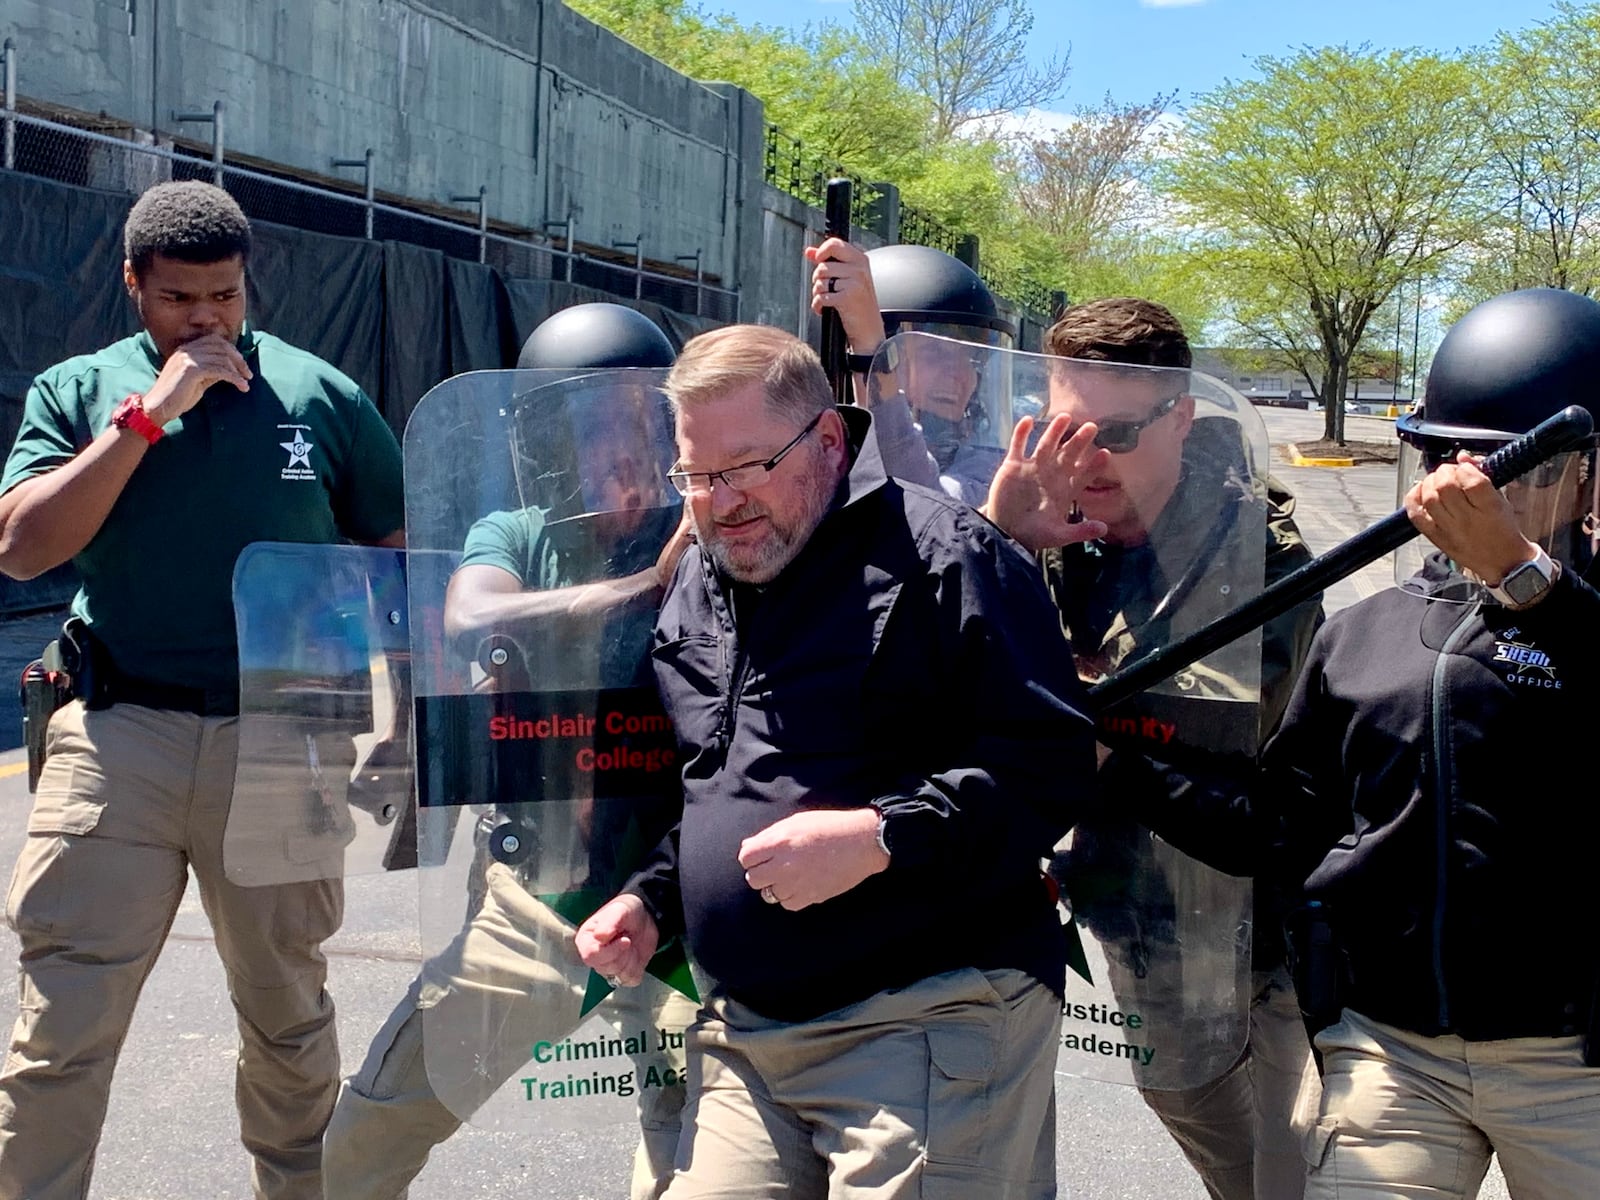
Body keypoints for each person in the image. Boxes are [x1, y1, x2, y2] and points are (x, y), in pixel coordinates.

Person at [576, 323, 1096, 1197]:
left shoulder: (943, 554)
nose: (720, 501)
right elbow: (718, 785)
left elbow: (1049, 767)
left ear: (826, 440)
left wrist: (879, 835)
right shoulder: (701, 579)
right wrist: (652, 898)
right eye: (696, 476)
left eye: (744, 468)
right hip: (750, 1029)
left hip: (928, 1010)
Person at [0, 180, 404, 1200]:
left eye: (224, 297)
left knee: (288, 1023)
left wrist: (403, 714)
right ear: (133, 283)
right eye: (180, 299)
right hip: (118, 730)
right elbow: (21, 547)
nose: (207, 320)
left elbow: (398, 557)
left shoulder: (322, 396)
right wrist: (149, 416)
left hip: (283, 739)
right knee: (60, 1027)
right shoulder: (81, 391)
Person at [322, 302, 695, 1200]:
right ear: (548, 439)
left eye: (642, 418)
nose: (621, 448)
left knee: (695, 1159)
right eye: (594, 424)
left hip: (682, 898)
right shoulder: (523, 532)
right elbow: (471, 612)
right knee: (365, 1139)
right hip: (544, 893)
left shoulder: (713, 530)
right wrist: (641, 586)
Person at [982, 298, 1324, 1200]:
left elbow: (1258, 767)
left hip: (1250, 933)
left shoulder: (1258, 561)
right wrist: (997, 541)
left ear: (1182, 417)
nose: (1085, 462)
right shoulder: (1046, 531)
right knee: (1191, 1110)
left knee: (1273, 1163)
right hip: (1122, 917)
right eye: (1063, 431)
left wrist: (1093, 735)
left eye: (1117, 434)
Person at [808, 239, 1015, 504]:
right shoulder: (810, 454)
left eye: (972, 359)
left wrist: (870, 349)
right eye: (934, 353)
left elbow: (928, 509)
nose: (960, 375)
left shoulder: (981, 469)